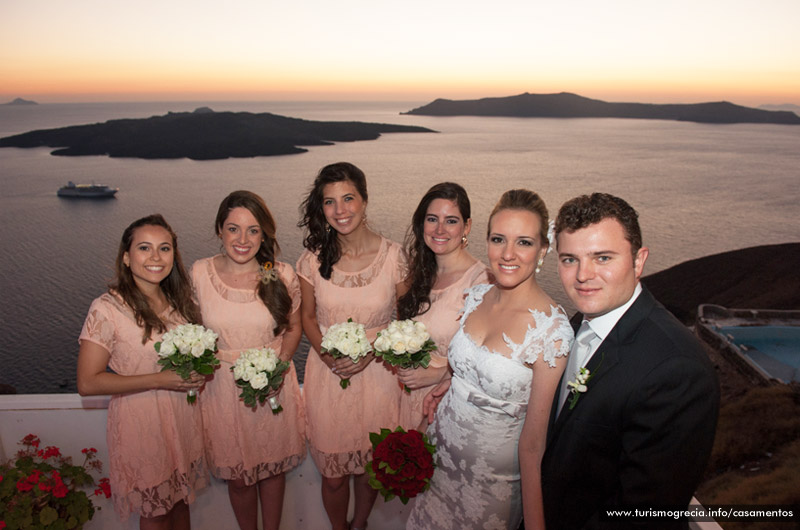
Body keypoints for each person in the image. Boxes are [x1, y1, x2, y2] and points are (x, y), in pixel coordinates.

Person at [541, 193, 719, 529]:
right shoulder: (574, 325)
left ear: (639, 261)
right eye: (569, 260)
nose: (583, 275)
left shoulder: (677, 369)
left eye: (603, 258)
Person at [408, 189, 572, 530]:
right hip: (439, 460)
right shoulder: (477, 295)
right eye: (499, 239)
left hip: (490, 488)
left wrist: (536, 524)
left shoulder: (551, 332)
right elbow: (468, 366)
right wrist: (450, 381)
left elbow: (533, 444)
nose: (508, 254)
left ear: (543, 250)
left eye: (524, 242)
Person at [77, 214, 208, 530]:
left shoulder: (182, 302)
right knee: (156, 514)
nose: (155, 257)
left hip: (182, 419)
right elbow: (87, 382)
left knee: (180, 504)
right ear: (126, 257)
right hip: (141, 425)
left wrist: (199, 372)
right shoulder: (108, 308)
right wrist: (161, 379)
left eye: (164, 249)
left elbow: (193, 356)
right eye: (144, 248)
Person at [297, 162, 407, 530]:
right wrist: (328, 357)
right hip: (328, 376)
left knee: (371, 466)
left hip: (379, 375)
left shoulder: (394, 258)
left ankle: (359, 524)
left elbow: (405, 321)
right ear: (321, 208)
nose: (340, 210)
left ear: (364, 200)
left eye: (348, 199)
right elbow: (308, 318)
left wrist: (372, 353)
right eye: (330, 202)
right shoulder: (312, 260)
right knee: (333, 474)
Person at [191, 191, 305, 530]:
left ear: (265, 234)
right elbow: (190, 329)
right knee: (239, 477)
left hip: (272, 384)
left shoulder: (279, 274)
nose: (243, 239)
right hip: (222, 389)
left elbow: (294, 327)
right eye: (233, 229)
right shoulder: (199, 273)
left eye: (253, 230)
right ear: (219, 230)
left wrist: (280, 365)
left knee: (272, 470)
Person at [396, 182, 490, 430]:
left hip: (448, 400)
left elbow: (488, 358)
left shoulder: (481, 283)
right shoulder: (418, 274)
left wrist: (441, 374)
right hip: (408, 398)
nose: (439, 229)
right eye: (432, 219)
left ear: (466, 226)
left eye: (451, 221)